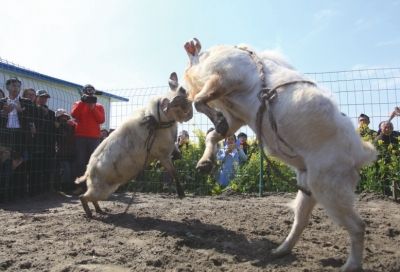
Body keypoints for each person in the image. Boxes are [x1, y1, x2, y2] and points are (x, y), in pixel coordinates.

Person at [71, 84, 105, 194]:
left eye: (91, 93)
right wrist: (82, 102)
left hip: (94, 138)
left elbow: (101, 120)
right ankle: (80, 187)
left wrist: (93, 108)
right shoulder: (78, 103)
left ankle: (95, 187)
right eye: (87, 93)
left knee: (94, 163)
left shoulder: (99, 106)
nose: (89, 95)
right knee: (80, 163)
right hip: (80, 137)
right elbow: (74, 115)